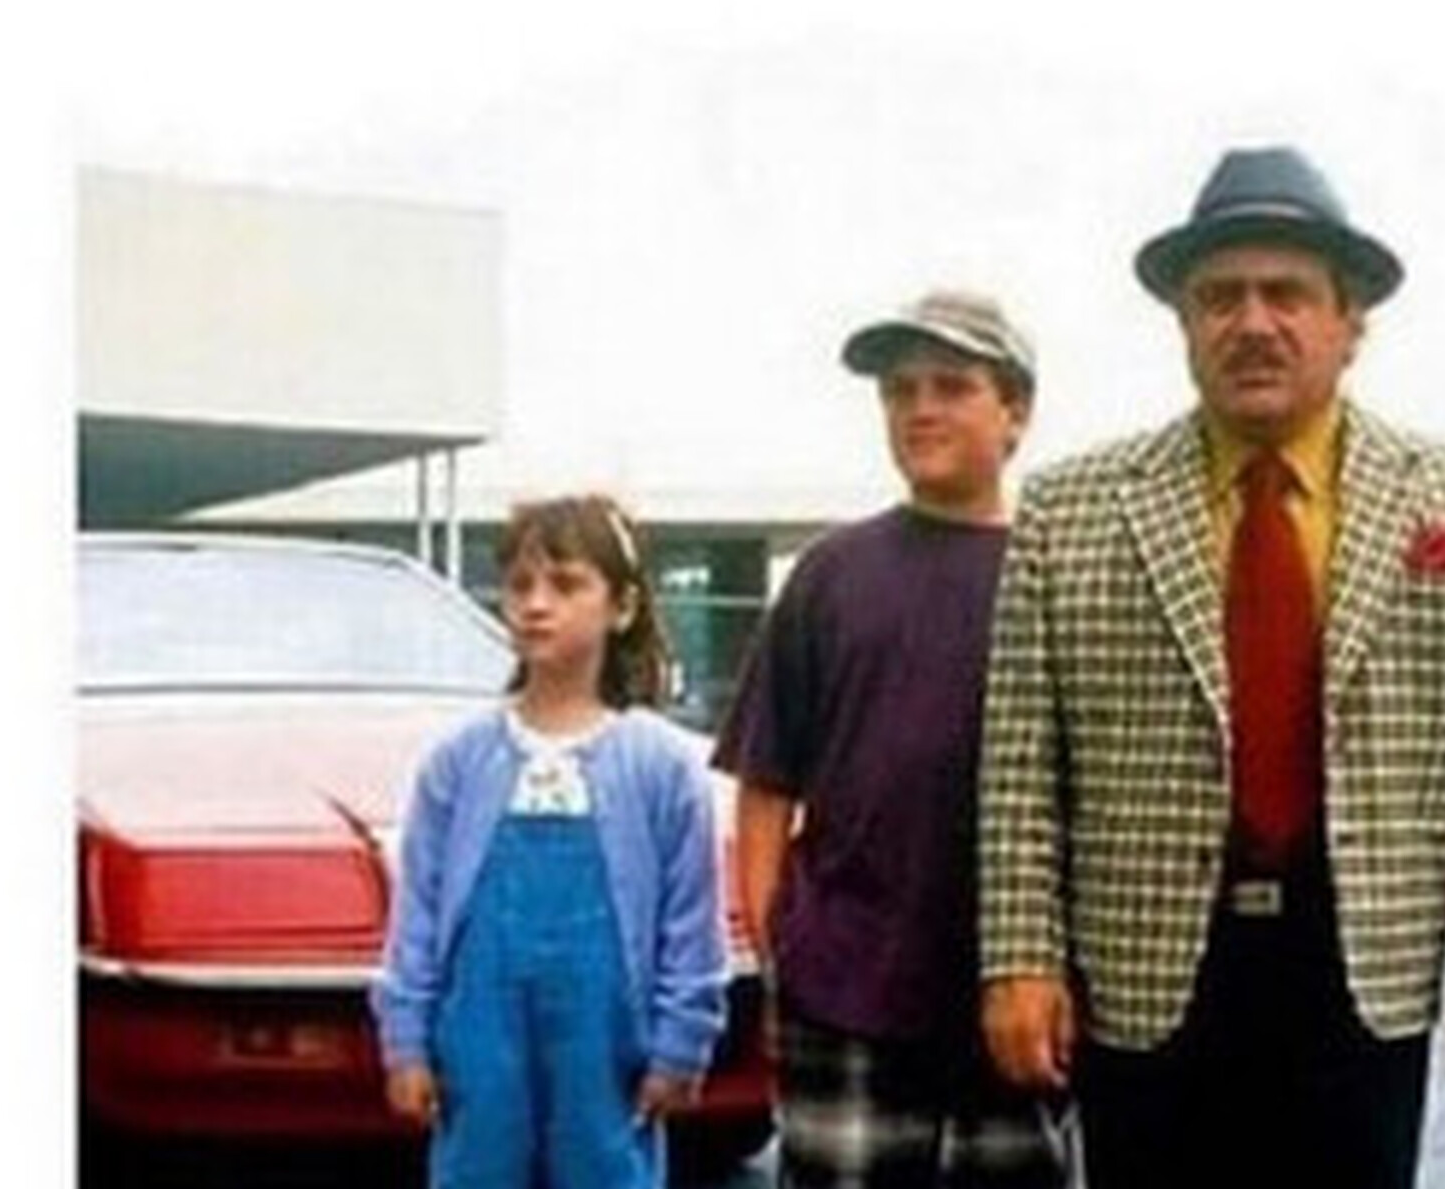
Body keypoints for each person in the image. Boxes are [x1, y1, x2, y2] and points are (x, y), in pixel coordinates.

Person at [979, 145, 1445, 1189]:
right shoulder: (1070, 511)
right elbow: (1020, 766)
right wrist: (1020, 957)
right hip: (1143, 966)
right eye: (1221, 297)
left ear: (1350, 322)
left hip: (1363, 963)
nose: (1252, 322)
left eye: (1286, 294)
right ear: (1183, 323)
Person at [713, 289, 1073, 1188]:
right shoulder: (830, 575)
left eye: (951, 386)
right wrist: (781, 952)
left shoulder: (1062, 575)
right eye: (899, 391)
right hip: (843, 993)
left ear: (1016, 411)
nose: (920, 409)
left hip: (1015, 999)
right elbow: (766, 784)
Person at [373, 494, 729, 1189]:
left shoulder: (661, 765)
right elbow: (416, 916)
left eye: (565, 585)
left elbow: (692, 923)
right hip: (478, 1042)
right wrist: (406, 1042)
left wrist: (681, 1045)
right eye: (520, 585)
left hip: (609, 1047)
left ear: (622, 606)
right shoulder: (459, 761)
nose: (537, 605)